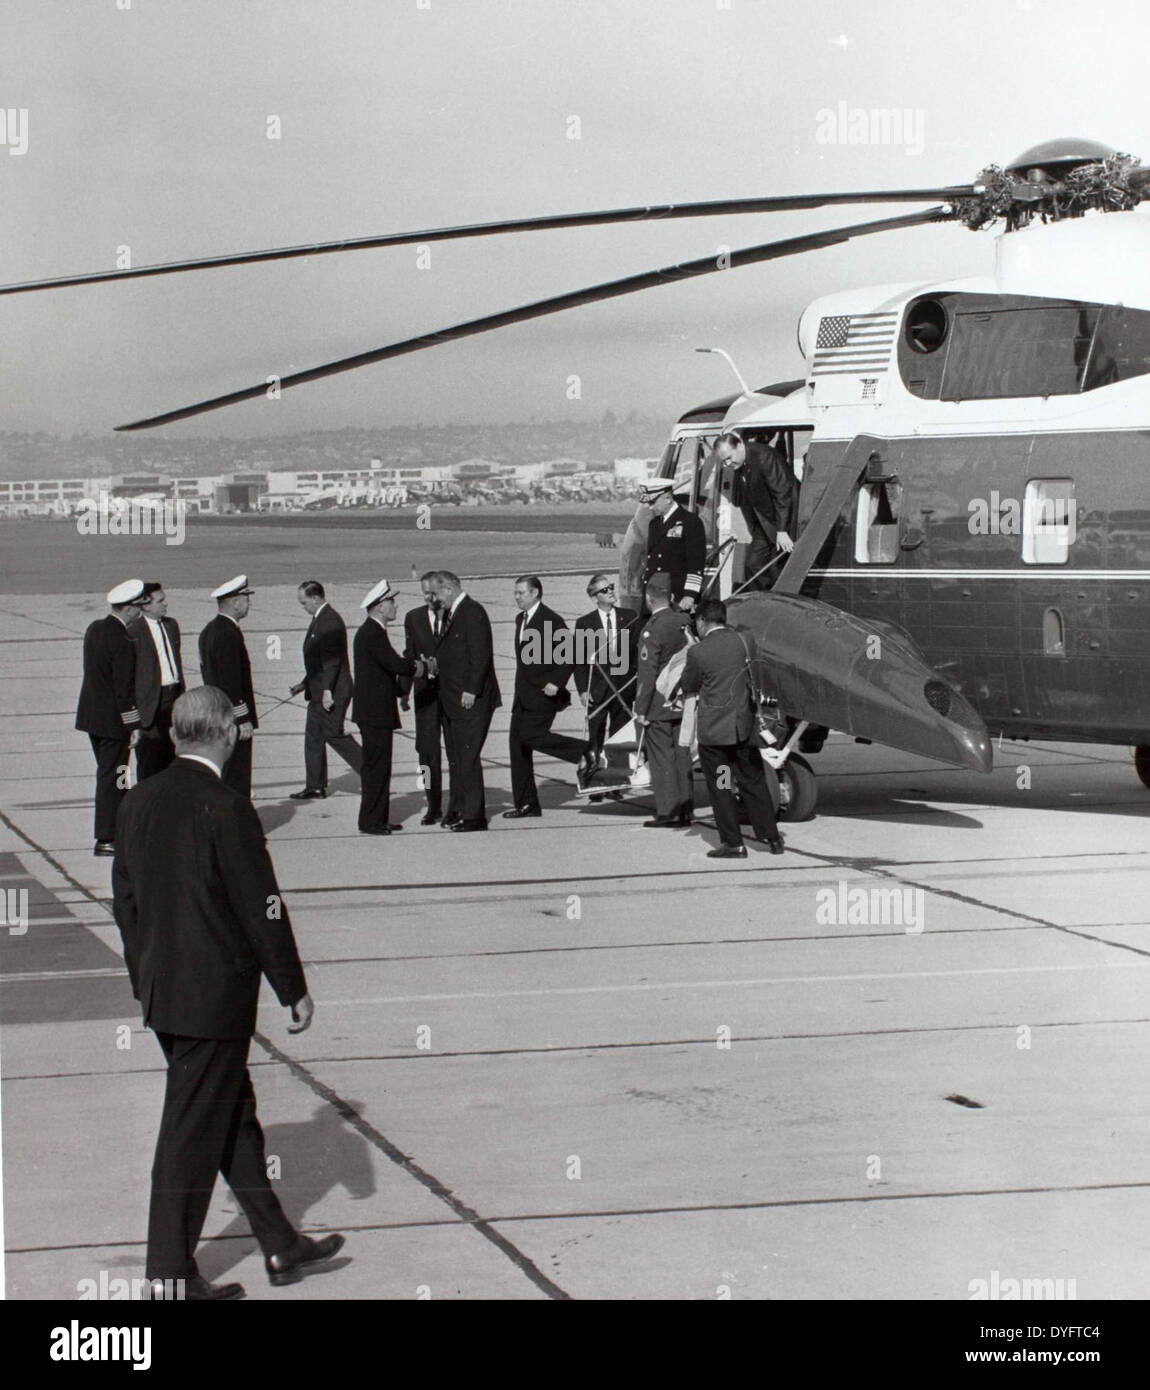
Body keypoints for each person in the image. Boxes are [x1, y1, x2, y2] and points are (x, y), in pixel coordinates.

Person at [112, 685, 345, 1300]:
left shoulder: (138, 801)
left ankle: (278, 1243)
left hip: (167, 993)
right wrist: (291, 986)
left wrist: (148, 980)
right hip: (212, 1001)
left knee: (232, 1116)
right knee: (190, 1133)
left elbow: (126, 904)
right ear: (227, 733)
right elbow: (261, 908)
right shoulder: (226, 805)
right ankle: (167, 1276)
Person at [680, 598, 785, 859]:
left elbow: (688, 685)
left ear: (702, 621)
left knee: (723, 786)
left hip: (716, 737)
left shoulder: (698, 652)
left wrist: (693, 648)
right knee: (754, 782)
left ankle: (733, 843)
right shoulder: (744, 641)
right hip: (743, 729)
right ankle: (772, 838)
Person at [503, 575, 593, 818]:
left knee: (532, 735)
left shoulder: (551, 620)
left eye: (521, 593)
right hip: (523, 696)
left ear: (535, 593)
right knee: (517, 749)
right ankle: (527, 804)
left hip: (544, 695)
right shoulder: (519, 619)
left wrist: (557, 681)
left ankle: (585, 751)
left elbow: (573, 653)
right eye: (515, 593)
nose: (517, 597)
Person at [75, 578, 146, 855]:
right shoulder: (124, 641)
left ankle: (114, 830)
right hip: (114, 722)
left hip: (92, 717)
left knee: (110, 775)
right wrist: (134, 724)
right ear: (128, 609)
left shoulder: (95, 629)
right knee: (114, 777)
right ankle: (107, 836)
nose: (139, 611)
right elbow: (123, 688)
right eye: (137, 607)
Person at [430, 571, 501, 831]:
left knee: (468, 757)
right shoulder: (453, 614)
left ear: (448, 589)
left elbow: (480, 654)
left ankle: (474, 817)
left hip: (471, 700)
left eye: (437, 594)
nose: (436, 600)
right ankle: (460, 810)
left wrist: (471, 689)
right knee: (460, 757)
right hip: (454, 700)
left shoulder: (472, 612)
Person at [351, 579, 421, 835]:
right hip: (375, 714)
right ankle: (371, 821)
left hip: (374, 712)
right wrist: (421, 667)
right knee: (377, 769)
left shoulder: (372, 632)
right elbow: (395, 664)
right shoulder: (373, 633)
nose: (395, 605)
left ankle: (377, 818)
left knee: (379, 768)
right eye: (392, 602)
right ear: (380, 606)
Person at [289, 580, 363, 800]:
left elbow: (332, 661)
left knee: (332, 733)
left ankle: (372, 771)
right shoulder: (319, 619)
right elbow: (317, 661)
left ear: (315, 598)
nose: (304, 607)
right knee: (313, 736)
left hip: (333, 690)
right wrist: (304, 684)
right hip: (319, 688)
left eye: (304, 603)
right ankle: (315, 785)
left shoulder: (329, 621)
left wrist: (328, 691)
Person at [632, 572, 694, 828]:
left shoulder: (653, 630)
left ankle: (669, 811)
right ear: (670, 596)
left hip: (659, 702)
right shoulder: (683, 621)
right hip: (682, 699)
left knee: (661, 758)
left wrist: (640, 708)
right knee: (683, 755)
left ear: (649, 598)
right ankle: (686, 808)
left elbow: (647, 674)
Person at [198, 574, 257, 798]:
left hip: (217, 713)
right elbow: (231, 679)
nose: (249, 603)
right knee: (237, 775)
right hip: (232, 718)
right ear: (235, 602)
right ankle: (235, 826)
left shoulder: (210, 630)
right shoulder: (228, 634)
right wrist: (242, 718)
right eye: (246, 598)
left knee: (224, 771)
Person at [715, 430, 798, 591]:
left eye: (729, 458)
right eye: (723, 461)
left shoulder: (764, 457)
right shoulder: (741, 462)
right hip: (766, 523)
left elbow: (783, 494)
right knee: (752, 565)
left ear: (739, 445)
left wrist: (782, 531)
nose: (727, 465)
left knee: (776, 570)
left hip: (785, 523)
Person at [572, 572, 636, 776]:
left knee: (619, 737)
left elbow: (636, 654)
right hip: (597, 689)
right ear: (594, 598)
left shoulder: (630, 617)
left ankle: (615, 780)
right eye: (604, 590)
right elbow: (579, 660)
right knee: (595, 737)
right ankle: (593, 777)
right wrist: (583, 690)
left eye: (611, 587)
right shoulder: (585, 623)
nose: (611, 592)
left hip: (623, 688)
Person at [402, 571, 450, 825]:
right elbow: (409, 655)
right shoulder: (413, 618)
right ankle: (433, 804)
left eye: (434, 592)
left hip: (451, 694)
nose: (430, 597)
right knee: (426, 752)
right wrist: (403, 691)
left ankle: (460, 802)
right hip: (425, 695)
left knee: (456, 751)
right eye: (425, 593)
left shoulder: (456, 615)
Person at [133, 582, 185, 781]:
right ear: (145, 605)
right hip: (151, 702)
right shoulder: (134, 631)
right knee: (150, 760)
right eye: (160, 601)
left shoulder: (171, 626)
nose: (166, 604)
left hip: (173, 697)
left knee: (174, 758)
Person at [639, 478, 708, 612]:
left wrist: (690, 595)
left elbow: (696, 562)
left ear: (667, 498)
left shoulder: (690, 522)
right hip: (655, 596)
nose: (650, 507)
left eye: (653, 502)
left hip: (676, 596)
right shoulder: (654, 524)